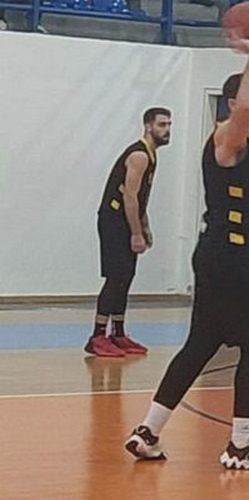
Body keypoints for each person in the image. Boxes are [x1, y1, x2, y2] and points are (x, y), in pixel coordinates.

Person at [121, 29, 249, 471]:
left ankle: (148, 431)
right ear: (234, 101)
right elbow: (245, 107)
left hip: (219, 256)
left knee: (200, 344)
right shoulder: (227, 136)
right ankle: (242, 443)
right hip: (232, 256)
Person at [90, 107, 172, 357]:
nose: (167, 130)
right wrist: (136, 233)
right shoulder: (139, 155)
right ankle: (97, 336)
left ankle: (118, 333)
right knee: (116, 277)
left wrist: (145, 225)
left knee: (126, 276)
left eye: (169, 125)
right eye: (162, 125)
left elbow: (141, 198)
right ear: (148, 126)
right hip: (114, 220)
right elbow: (130, 197)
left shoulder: (151, 155)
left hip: (126, 219)